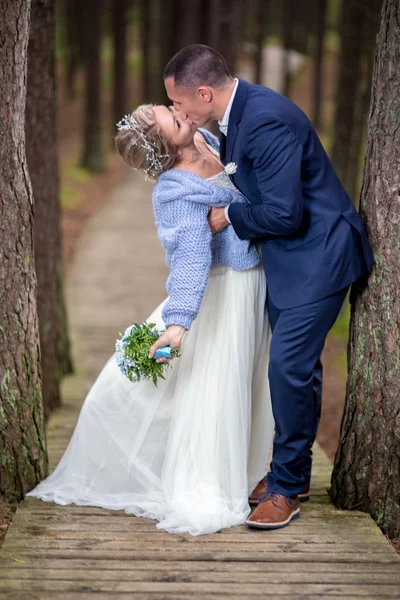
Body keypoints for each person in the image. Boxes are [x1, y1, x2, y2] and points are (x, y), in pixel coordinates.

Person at [27, 103, 274, 536]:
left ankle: (258, 467)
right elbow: (192, 256)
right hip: (227, 286)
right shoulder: (174, 191)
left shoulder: (204, 138)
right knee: (219, 381)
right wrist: (177, 323)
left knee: (250, 378)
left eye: (171, 108)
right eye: (174, 121)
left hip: (256, 278)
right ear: (168, 150)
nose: (182, 114)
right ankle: (211, 479)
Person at [162, 44, 374, 530]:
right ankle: (295, 472)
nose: (180, 112)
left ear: (203, 92)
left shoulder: (263, 120)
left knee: (288, 368)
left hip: (319, 255)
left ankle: (283, 489)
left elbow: (283, 213)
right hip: (289, 258)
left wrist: (227, 215)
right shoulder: (234, 116)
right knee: (298, 370)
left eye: (180, 104)